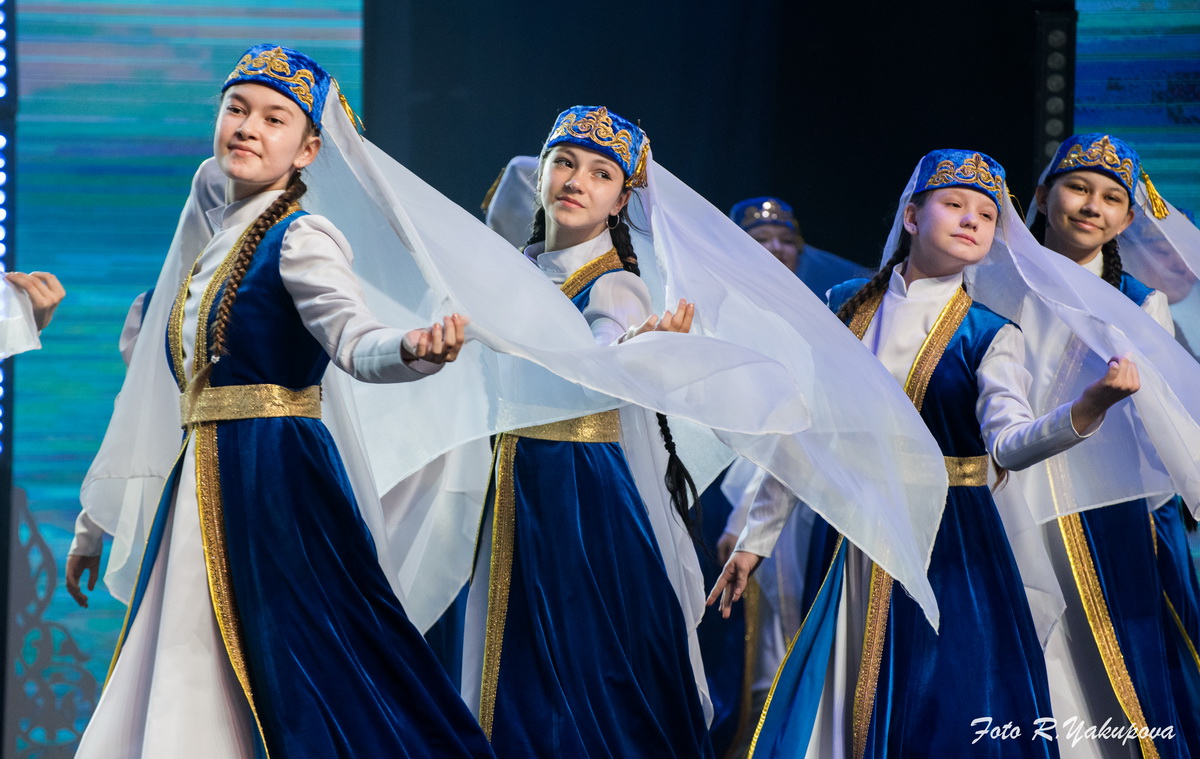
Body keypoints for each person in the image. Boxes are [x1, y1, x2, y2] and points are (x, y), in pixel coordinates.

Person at [64, 44, 496, 758]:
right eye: (237, 109)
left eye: (274, 118)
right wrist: (92, 522)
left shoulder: (301, 238)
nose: (248, 127)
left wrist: (415, 349)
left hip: (276, 485)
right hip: (206, 478)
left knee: (313, 666)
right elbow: (152, 396)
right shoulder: (210, 243)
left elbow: (353, 340)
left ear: (308, 151)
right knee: (187, 655)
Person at [741, 149, 1143, 758]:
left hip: (952, 539)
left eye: (987, 214)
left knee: (944, 698)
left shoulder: (989, 332)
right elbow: (804, 428)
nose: (971, 219)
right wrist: (755, 539)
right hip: (856, 531)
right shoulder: (846, 304)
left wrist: (1086, 409)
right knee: (844, 694)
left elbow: (1009, 444)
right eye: (954, 204)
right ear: (911, 216)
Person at [464, 105, 716, 758]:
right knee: (516, 664)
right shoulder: (516, 270)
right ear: (541, 172)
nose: (577, 181)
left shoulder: (617, 284)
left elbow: (601, 353)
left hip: (577, 497)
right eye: (566, 163)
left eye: (601, 173)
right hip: (513, 480)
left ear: (621, 199)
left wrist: (636, 349)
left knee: (580, 675)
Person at [1028, 132, 1200, 758]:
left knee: (1106, 672)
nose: (1091, 206)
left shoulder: (1138, 303)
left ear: (1126, 220)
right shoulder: (987, 282)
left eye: (1110, 198)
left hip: (1104, 511)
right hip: (1003, 500)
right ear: (1042, 196)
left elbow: (1166, 422)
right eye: (1077, 188)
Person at [728, 196, 871, 299]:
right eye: (761, 239)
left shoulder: (823, 302)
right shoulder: (725, 298)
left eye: (787, 241)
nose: (777, 248)